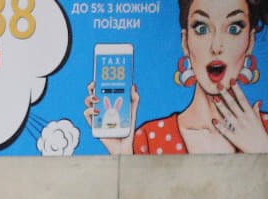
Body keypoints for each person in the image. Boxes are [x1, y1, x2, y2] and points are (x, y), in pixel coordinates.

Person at [87, 0, 268, 153]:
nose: (217, 46)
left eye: (234, 28)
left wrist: (262, 151)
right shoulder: (148, 139)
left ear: (250, 41)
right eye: (202, 28)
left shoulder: (264, 133)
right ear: (185, 41)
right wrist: (123, 156)